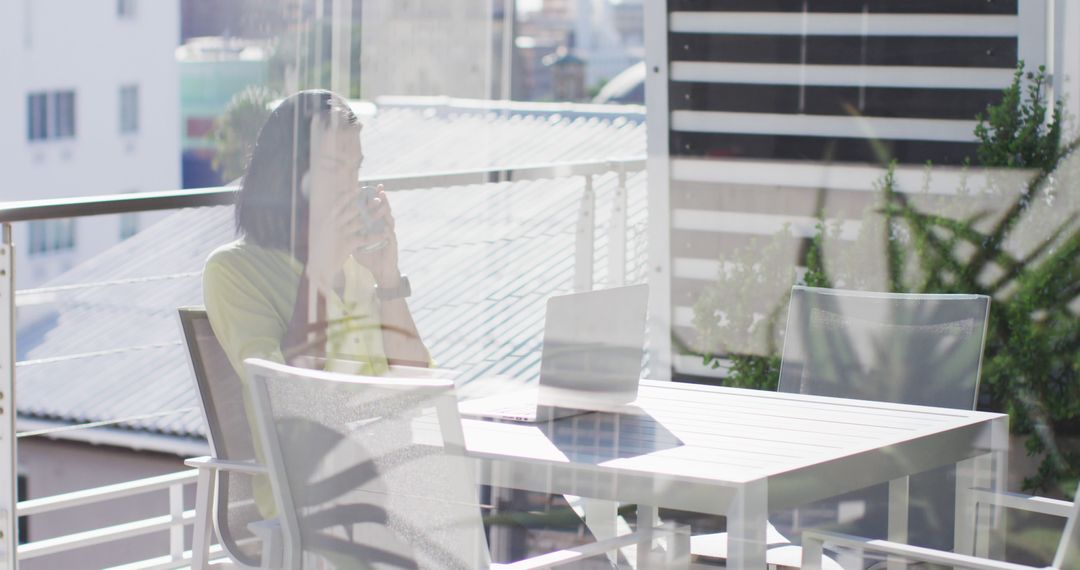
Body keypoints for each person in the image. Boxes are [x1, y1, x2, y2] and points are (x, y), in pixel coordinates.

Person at [202, 90, 429, 518]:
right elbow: (291, 399)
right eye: (333, 168)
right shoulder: (233, 271)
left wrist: (387, 278)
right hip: (312, 504)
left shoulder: (357, 266)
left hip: (394, 482)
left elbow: (419, 391)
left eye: (356, 168)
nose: (350, 185)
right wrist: (320, 271)